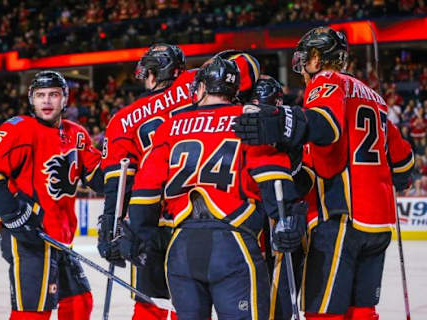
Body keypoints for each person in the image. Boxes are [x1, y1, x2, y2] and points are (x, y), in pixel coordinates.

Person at [234, 27, 414, 320]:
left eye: (305, 59)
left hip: (341, 216)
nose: (303, 69)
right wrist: (399, 177)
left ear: (317, 58)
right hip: (379, 224)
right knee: (363, 310)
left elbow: (327, 126)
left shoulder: (326, 82)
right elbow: (404, 162)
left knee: (324, 312)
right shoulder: (376, 99)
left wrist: (283, 121)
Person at [122, 56, 306, 319]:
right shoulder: (248, 119)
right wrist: (289, 217)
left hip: (181, 249)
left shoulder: (171, 126)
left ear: (202, 88)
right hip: (233, 244)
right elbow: (273, 178)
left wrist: (139, 233)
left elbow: (145, 190)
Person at [98, 44, 261, 319]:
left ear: (151, 74)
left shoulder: (122, 119)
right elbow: (248, 64)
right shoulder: (197, 82)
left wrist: (110, 229)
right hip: (210, 215)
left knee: (151, 306)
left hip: (152, 220)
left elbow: (119, 180)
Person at [0, 71, 104, 320]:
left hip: (60, 237)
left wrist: (120, 169)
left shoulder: (76, 134)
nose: (46, 101)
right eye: (40, 95)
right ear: (31, 99)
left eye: (53, 95)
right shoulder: (18, 129)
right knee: (33, 313)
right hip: (28, 236)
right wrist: (15, 215)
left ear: (64, 99)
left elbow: (97, 178)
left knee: (79, 303)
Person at [248, 75, 305, 320]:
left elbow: (304, 174)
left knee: (278, 294)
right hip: (260, 218)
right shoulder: (290, 124)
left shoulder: (292, 130)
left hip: (281, 217)